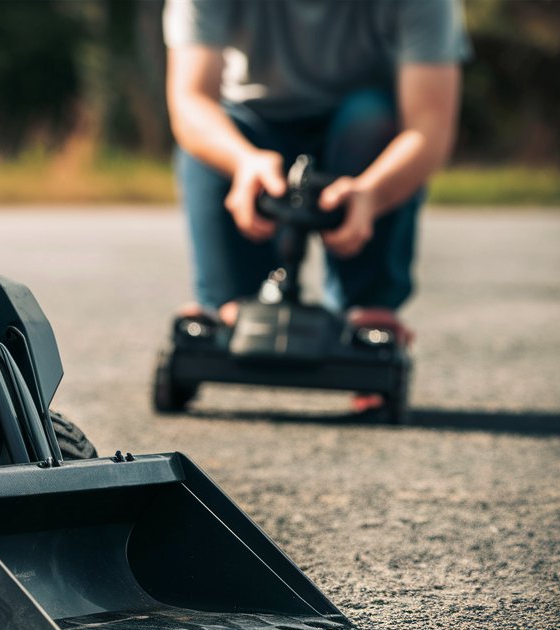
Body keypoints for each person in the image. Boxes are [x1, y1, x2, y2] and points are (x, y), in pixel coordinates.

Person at [163, 0, 469, 410]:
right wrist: (242, 162)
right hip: (255, 125)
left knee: (372, 121)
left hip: (362, 133)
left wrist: (371, 193)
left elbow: (429, 126)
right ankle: (230, 302)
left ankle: (366, 306)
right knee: (219, 134)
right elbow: (191, 102)